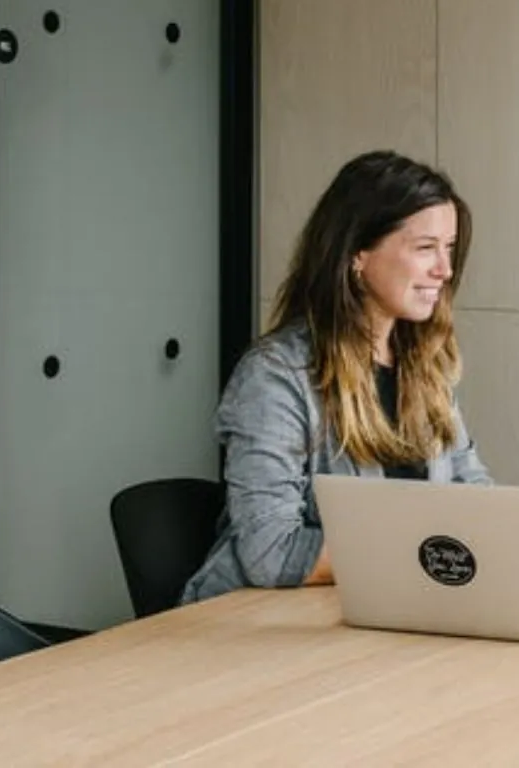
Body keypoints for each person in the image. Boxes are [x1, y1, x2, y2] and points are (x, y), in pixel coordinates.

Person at [182, 151, 492, 603]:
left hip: (382, 609)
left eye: (449, 248)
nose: (444, 270)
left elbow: (473, 491)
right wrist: (423, 559)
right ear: (357, 255)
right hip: (255, 629)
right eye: (426, 248)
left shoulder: (424, 364)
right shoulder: (276, 376)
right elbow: (269, 551)